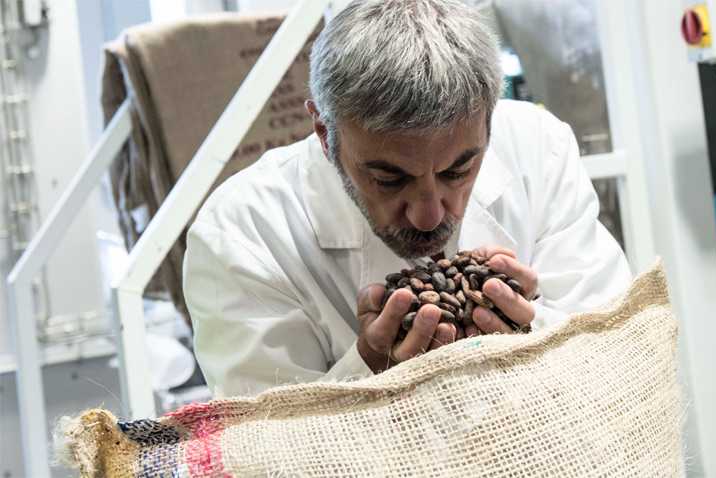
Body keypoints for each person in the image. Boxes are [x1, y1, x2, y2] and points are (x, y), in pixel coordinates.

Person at [183, 0, 632, 398]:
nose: (429, 215)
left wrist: (536, 334)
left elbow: (617, 343)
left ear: (489, 122)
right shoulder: (243, 234)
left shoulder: (539, 146)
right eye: (389, 178)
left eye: (458, 170)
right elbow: (263, 446)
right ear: (325, 134)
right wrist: (370, 374)